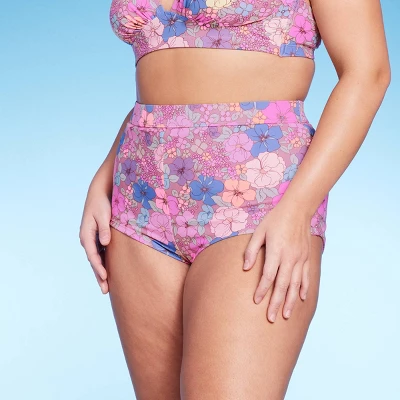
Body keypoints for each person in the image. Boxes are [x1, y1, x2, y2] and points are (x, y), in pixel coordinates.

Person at [79, 0, 390, 398]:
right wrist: (105, 174)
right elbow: (165, 78)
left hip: (261, 198)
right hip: (139, 193)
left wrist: (298, 210)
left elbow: (369, 72)